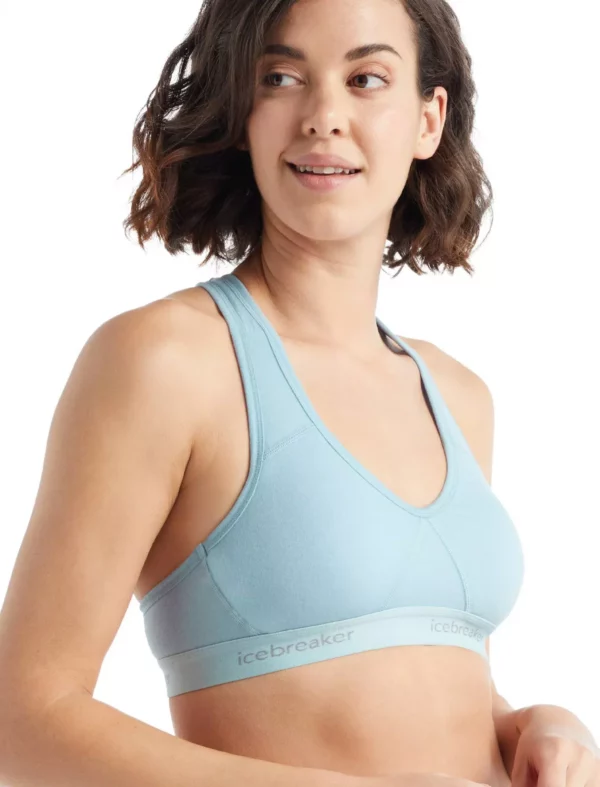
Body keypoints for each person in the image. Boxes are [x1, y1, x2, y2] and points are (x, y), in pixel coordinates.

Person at [1, 1, 599, 787]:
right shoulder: (166, 361)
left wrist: (528, 723)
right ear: (241, 114)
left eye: (366, 78)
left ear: (428, 119)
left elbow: (415, 671)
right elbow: (21, 721)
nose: (323, 115)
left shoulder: (458, 394)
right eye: (280, 77)